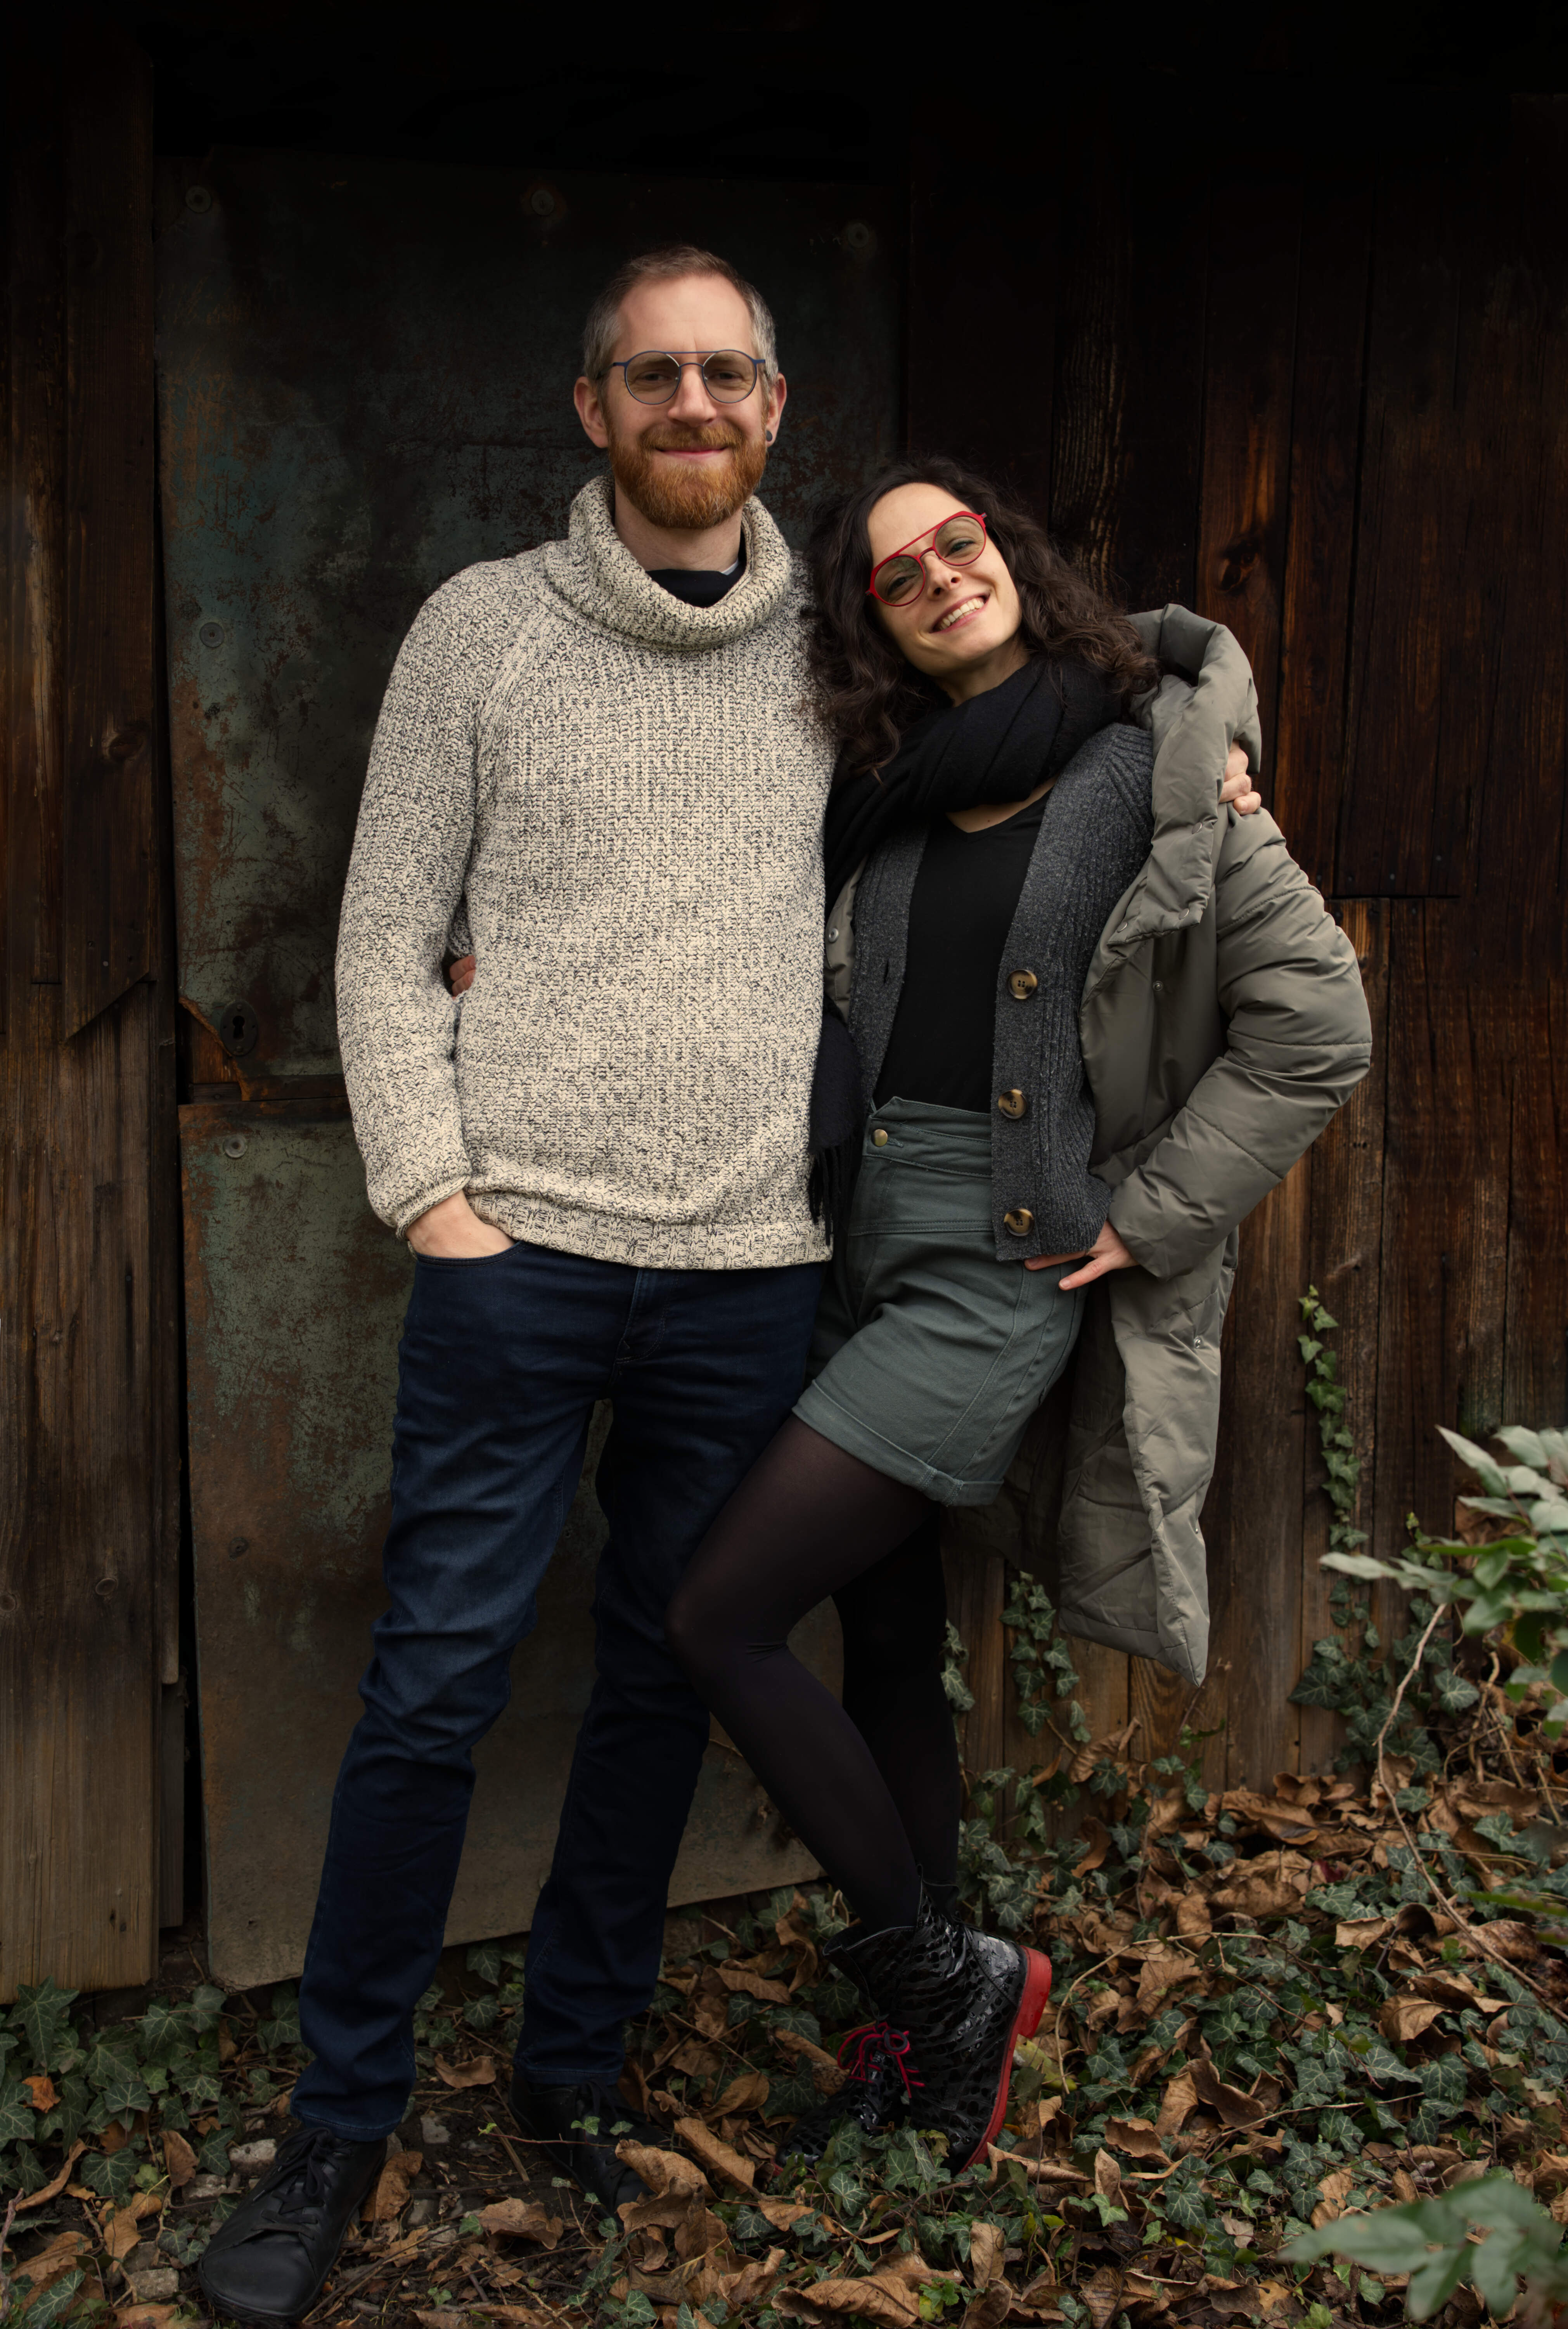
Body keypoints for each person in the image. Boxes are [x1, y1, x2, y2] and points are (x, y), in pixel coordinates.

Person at [199, 246, 1263, 2327]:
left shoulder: (840, 655)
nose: (692, 403)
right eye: (650, 375)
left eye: (728, 375)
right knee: (429, 1688)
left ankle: (570, 2077)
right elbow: (383, 928)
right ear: (590, 410)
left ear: (774, 410)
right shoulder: (478, 633)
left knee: (658, 1679)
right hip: (516, 1255)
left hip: (753, 1265)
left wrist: (1212, 759)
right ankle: (338, 2122)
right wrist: (433, 1192)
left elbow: (1054, 667)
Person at [660, 459, 1374, 2175]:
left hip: (999, 1265)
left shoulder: (1159, 769)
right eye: (898, 574)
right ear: (873, 628)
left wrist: (1143, 1214)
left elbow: (1316, 1030)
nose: (939, 576)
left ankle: (952, 1978)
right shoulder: (882, 790)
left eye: (959, 542)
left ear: (1016, 556)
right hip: (845, 1244)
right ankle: (937, 2022)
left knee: (721, 1619)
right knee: (886, 1643)